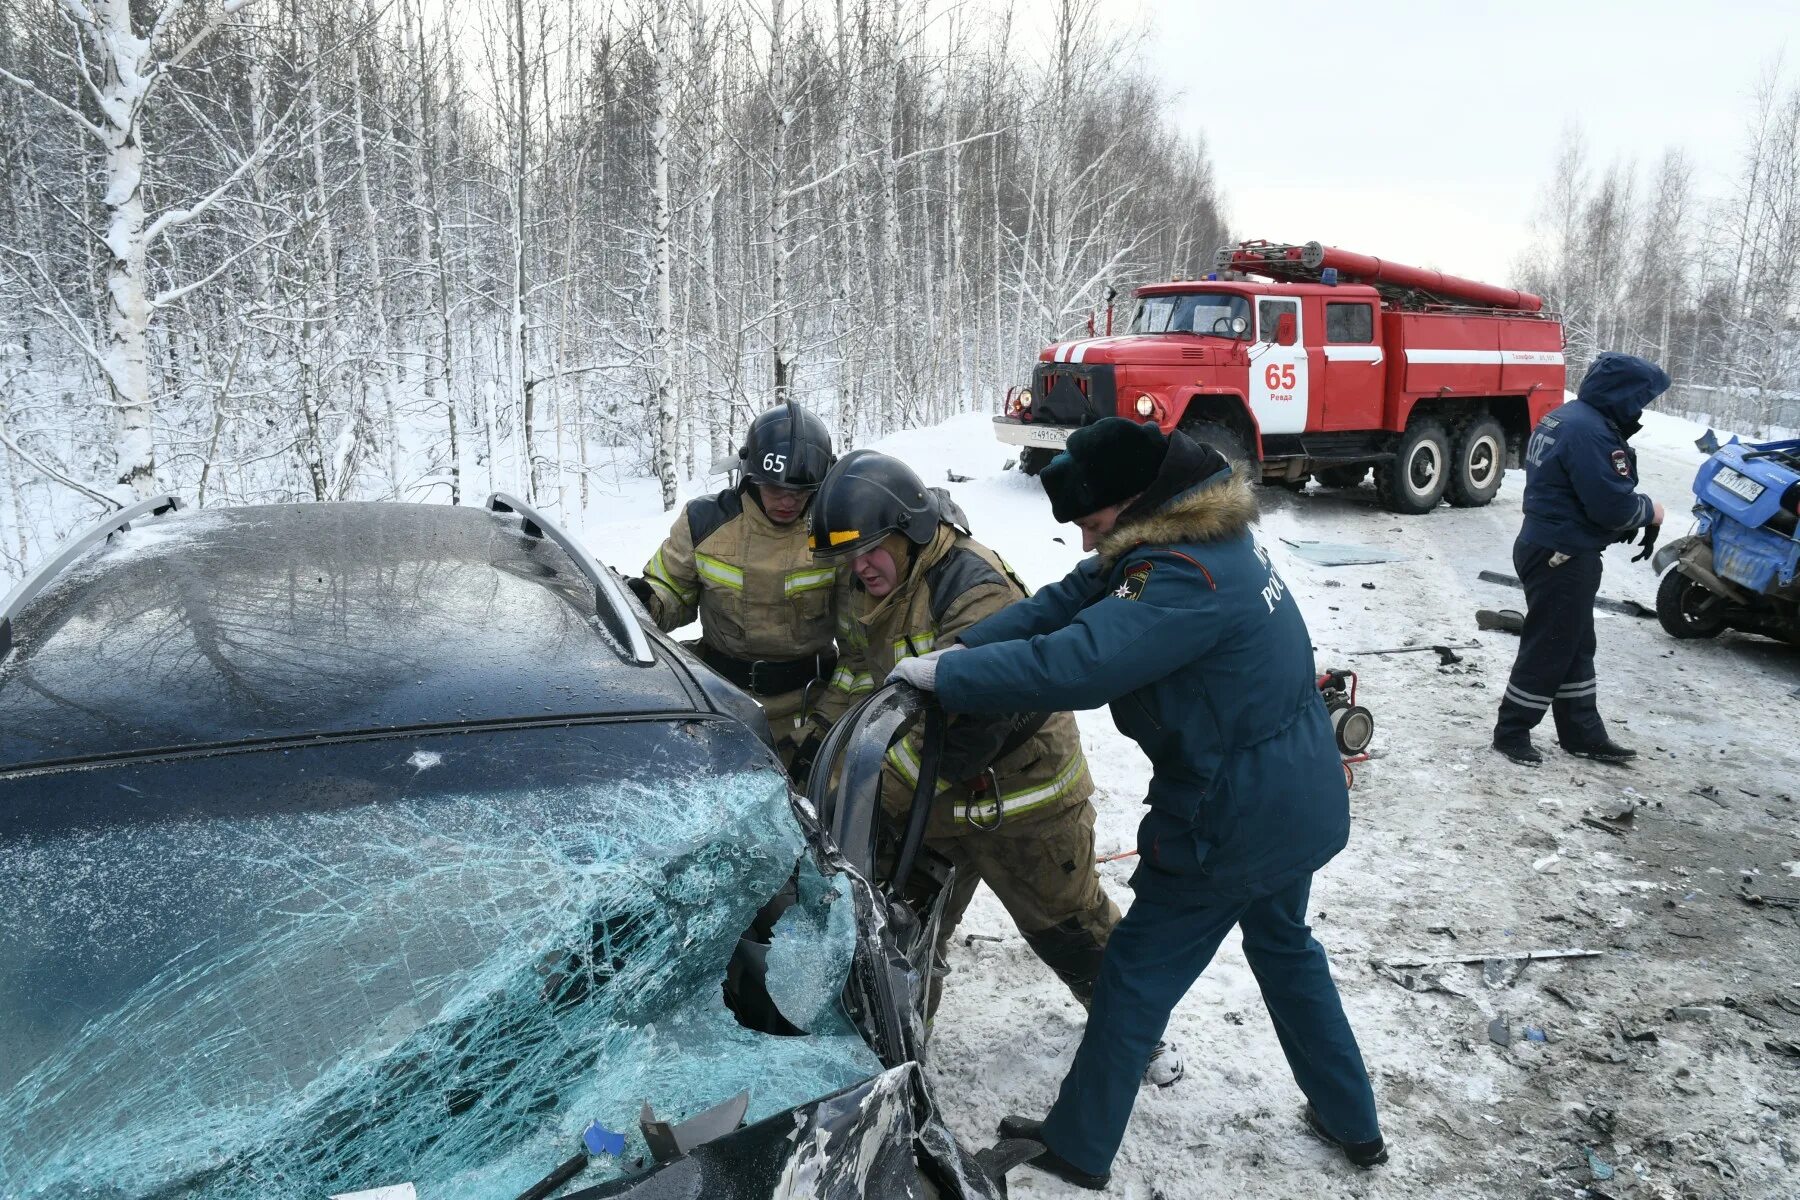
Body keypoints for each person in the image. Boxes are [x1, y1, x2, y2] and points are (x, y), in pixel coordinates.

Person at [891, 418, 1382, 1190]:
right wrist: (962, 652)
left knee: (1132, 978)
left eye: (1091, 524)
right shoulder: (1194, 532)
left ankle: (1080, 1147)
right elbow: (1066, 602)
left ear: (1130, 504)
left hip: (1232, 818)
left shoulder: (1182, 574)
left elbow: (1081, 661)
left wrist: (950, 683)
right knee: (1288, 953)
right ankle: (1354, 1122)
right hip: (1292, 791)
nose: (1088, 543)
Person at [803, 448, 1184, 1088]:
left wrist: (865, 795)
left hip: (1023, 801)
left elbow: (969, 732)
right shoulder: (872, 586)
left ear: (909, 530)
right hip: (932, 809)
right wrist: (819, 751)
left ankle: (1137, 1032)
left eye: (871, 548)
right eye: (849, 555)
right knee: (899, 939)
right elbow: (859, 679)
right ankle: (886, 1064)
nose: (859, 565)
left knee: (1072, 929)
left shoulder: (973, 590)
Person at [627, 402, 845, 770]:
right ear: (749, 474)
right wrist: (646, 600)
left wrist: (826, 727)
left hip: (809, 706)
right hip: (719, 700)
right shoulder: (705, 521)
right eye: (775, 487)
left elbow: (861, 647)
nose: (788, 501)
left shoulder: (836, 532)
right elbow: (671, 590)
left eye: (802, 490)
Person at [1493, 352, 1669, 766]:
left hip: (1548, 544)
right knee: (1550, 646)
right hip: (1563, 555)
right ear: (1622, 394)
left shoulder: (1568, 417)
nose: (1641, 408)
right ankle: (1512, 731)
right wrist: (1649, 510)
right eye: (1640, 398)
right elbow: (1610, 507)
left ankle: (1582, 732)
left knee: (1573, 643)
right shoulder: (1592, 433)